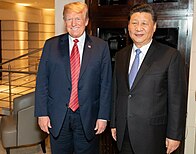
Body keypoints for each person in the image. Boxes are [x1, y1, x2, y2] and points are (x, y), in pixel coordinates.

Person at [35, 2, 112, 154]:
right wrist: (42, 113)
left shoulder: (100, 47)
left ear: (86, 21)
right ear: (65, 22)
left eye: (78, 18)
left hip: (89, 117)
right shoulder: (51, 45)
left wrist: (103, 116)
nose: (73, 23)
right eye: (69, 19)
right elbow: (42, 81)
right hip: (58, 116)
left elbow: (106, 85)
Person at [110, 3, 187, 154]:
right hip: (123, 132)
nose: (138, 28)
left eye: (144, 23)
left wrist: (174, 135)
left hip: (153, 135)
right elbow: (116, 92)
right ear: (128, 26)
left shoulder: (170, 56)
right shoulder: (121, 55)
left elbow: (177, 100)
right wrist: (114, 122)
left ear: (154, 27)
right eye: (134, 23)